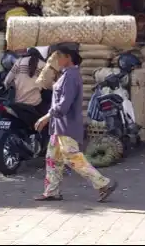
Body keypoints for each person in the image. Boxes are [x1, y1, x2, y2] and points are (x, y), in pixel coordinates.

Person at [33, 46, 118, 202]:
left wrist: (46, 117)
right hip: (58, 127)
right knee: (52, 159)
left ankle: (103, 183)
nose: (56, 60)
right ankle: (52, 192)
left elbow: (64, 105)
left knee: (72, 158)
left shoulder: (70, 77)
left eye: (58, 57)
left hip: (66, 125)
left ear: (68, 57)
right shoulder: (65, 75)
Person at [3, 47, 49, 115]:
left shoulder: (19, 61)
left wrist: (7, 88)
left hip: (18, 102)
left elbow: (7, 81)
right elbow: (49, 84)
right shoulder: (44, 65)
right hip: (35, 103)